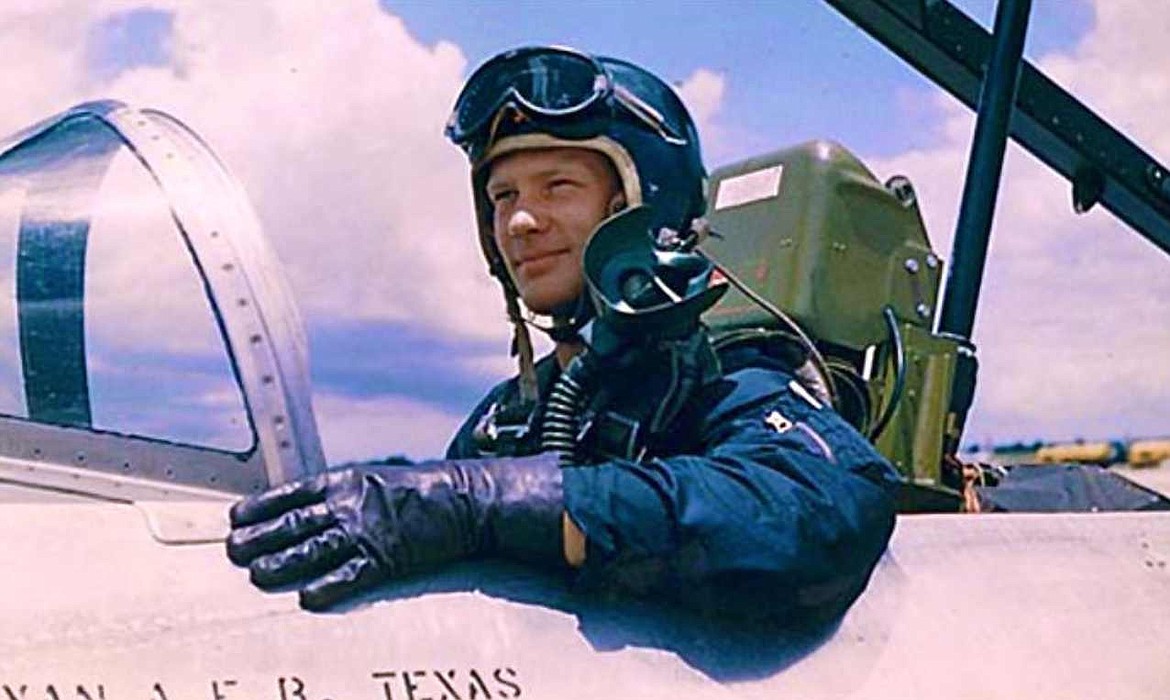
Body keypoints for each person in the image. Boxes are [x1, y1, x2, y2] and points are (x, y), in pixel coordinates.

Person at [226, 46, 899, 623]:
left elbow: (821, 509)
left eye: (557, 186)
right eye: (503, 197)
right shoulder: (506, 419)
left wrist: (485, 506)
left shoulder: (730, 383)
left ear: (642, 208)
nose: (521, 222)